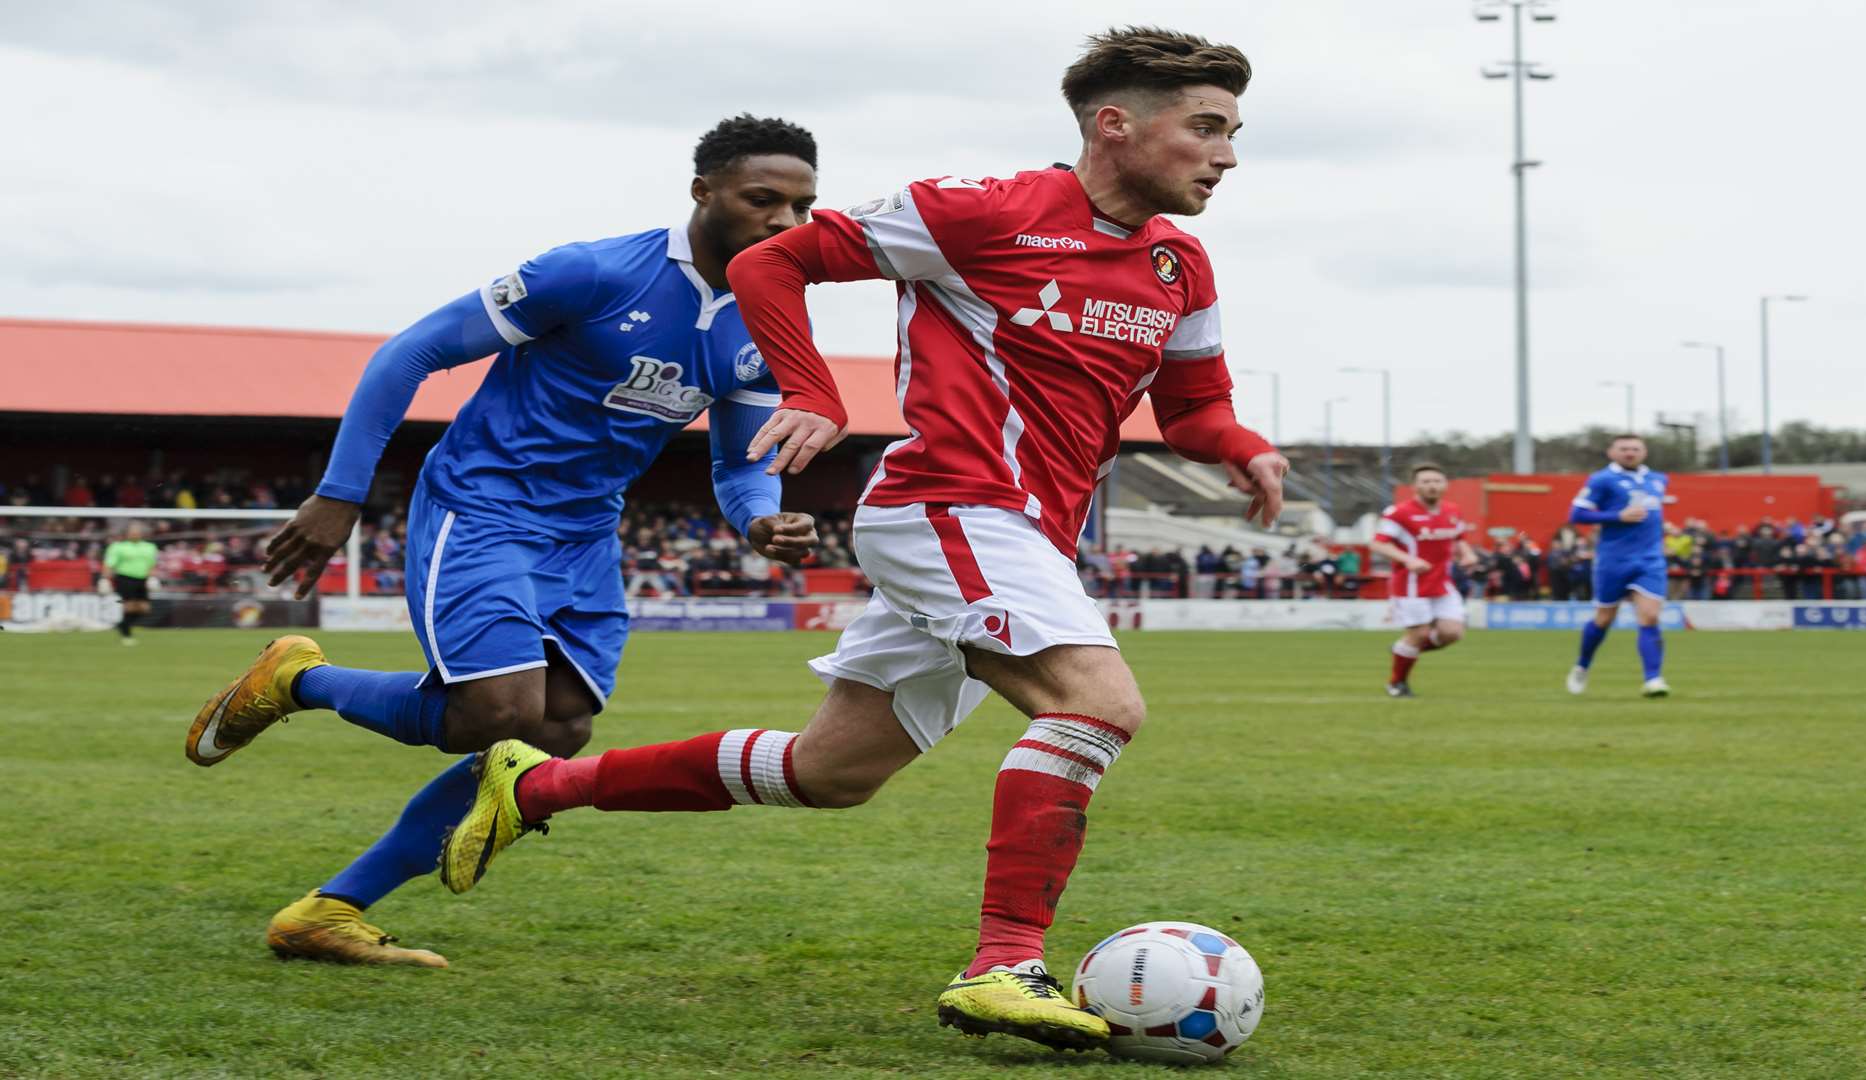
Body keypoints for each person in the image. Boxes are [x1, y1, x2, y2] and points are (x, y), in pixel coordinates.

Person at [435, 26, 1287, 1052]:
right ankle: (1003, 963)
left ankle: (536, 785)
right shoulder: (982, 210)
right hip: (954, 506)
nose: (1227, 154)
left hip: (1027, 537)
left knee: (831, 770)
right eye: (1206, 127)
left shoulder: (1177, 264)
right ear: (1116, 124)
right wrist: (807, 386)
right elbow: (778, 261)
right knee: (1096, 706)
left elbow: (1195, 407)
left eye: (1232, 132)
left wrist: (1243, 447)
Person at [181, 115, 823, 967]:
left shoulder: (767, 316)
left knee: (556, 733)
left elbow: (742, 462)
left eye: (803, 206)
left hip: (585, 533)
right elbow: (409, 353)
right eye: (763, 199)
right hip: (481, 507)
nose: (786, 222)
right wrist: (340, 495)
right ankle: (299, 680)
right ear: (704, 191)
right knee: (496, 715)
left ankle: (328, 912)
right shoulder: (591, 272)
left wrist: (758, 518)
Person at [1566, 434, 1672, 697]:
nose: (1629, 453)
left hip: (1649, 559)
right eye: (1624, 448)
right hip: (1613, 560)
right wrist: (1617, 516)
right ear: (1611, 452)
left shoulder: (1658, 479)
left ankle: (1653, 680)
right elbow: (1577, 514)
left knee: (1650, 615)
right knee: (1604, 619)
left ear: (1644, 452)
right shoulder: (1601, 479)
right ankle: (1582, 666)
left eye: (1635, 448)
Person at [1369, 464, 1475, 698]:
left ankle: (1403, 650)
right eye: (1426, 481)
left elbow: (1458, 539)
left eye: (1437, 481)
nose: (1432, 485)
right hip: (1411, 586)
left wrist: (1466, 554)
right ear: (1415, 486)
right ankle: (1397, 683)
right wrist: (1408, 560)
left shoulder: (1452, 511)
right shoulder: (1398, 513)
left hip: (1442, 583)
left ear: (1445, 485)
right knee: (1419, 634)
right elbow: (1377, 543)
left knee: (1452, 633)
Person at [100, 521, 158, 645]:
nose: (135, 534)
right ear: (127, 534)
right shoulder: (118, 547)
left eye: (137, 532)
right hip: (125, 578)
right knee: (130, 606)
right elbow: (109, 564)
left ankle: (122, 625)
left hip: (142, 580)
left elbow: (152, 564)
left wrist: (153, 578)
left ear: (141, 534)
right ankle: (126, 635)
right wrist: (105, 579)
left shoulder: (149, 547)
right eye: (132, 532)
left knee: (144, 608)